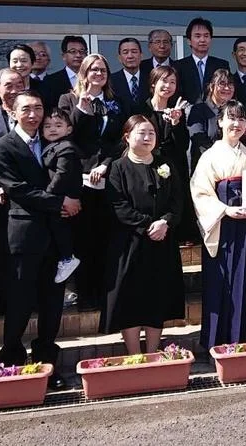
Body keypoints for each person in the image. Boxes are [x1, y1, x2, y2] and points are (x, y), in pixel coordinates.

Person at [0, 91, 80, 388]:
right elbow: (16, 188)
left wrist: (72, 199)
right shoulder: (3, 146)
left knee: (52, 303)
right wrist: (59, 203)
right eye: (26, 109)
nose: (33, 114)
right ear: (13, 112)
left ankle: (47, 363)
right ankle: (12, 361)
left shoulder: (53, 141)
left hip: (56, 235)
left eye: (38, 108)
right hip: (23, 234)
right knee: (19, 301)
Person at [190, 101, 246, 348]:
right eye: (231, 118)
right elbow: (200, 192)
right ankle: (221, 342)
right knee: (225, 285)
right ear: (220, 122)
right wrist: (226, 209)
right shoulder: (209, 156)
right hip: (224, 228)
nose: (236, 124)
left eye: (241, 119)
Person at [103, 115, 186, 354]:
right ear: (127, 137)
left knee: (156, 297)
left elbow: (177, 202)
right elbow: (119, 206)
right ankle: (134, 354)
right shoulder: (118, 168)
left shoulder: (165, 164)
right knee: (130, 298)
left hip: (162, 242)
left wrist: (166, 223)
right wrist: (149, 225)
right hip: (130, 243)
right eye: (142, 132)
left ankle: (152, 351)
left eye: (151, 132)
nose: (148, 137)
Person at [59, 53, 124, 310]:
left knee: (105, 236)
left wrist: (106, 165)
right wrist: (82, 109)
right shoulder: (69, 99)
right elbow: (66, 135)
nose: (98, 74)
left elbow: (119, 140)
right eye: (93, 70)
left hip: (107, 176)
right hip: (79, 176)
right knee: (82, 236)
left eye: (102, 70)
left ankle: (104, 291)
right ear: (83, 73)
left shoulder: (114, 102)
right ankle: (82, 293)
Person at [135, 66, 194, 244]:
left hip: (173, 167)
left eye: (172, 82)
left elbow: (183, 145)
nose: (168, 85)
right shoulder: (140, 109)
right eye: (164, 81)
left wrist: (176, 123)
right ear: (153, 83)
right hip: (145, 166)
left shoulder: (176, 111)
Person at [41, 108, 83, 284]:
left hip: (64, 196)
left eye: (58, 125)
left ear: (69, 129)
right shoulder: (51, 146)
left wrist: (48, 195)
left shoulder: (66, 148)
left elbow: (62, 175)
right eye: (47, 126)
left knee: (61, 228)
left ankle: (67, 258)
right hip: (58, 198)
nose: (52, 129)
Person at [172, 18, 230, 104]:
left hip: (215, 114)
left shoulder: (222, 65)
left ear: (211, 39)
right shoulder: (178, 66)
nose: (202, 40)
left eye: (206, 36)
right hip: (187, 114)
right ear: (189, 41)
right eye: (197, 36)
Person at [187, 69, 237, 168]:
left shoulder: (236, 111)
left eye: (230, 84)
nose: (227, 88)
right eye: (222, 84)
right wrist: (221, 158)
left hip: (233, 167)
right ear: (211, 86)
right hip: (206, 167)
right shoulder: (198, 110)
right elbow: (199, 140)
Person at [41, 35, 88, 108]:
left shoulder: (93, 78)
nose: (78, 55)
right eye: (73, 51)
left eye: (82, 51)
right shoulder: (50, 81)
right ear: (63, 56)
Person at [109, 37, 146, 114]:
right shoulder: (110, 81)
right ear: (119, 58)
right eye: (125, 52)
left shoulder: (150, 79)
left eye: (134, 51)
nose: (130, 56)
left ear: (141, 55)